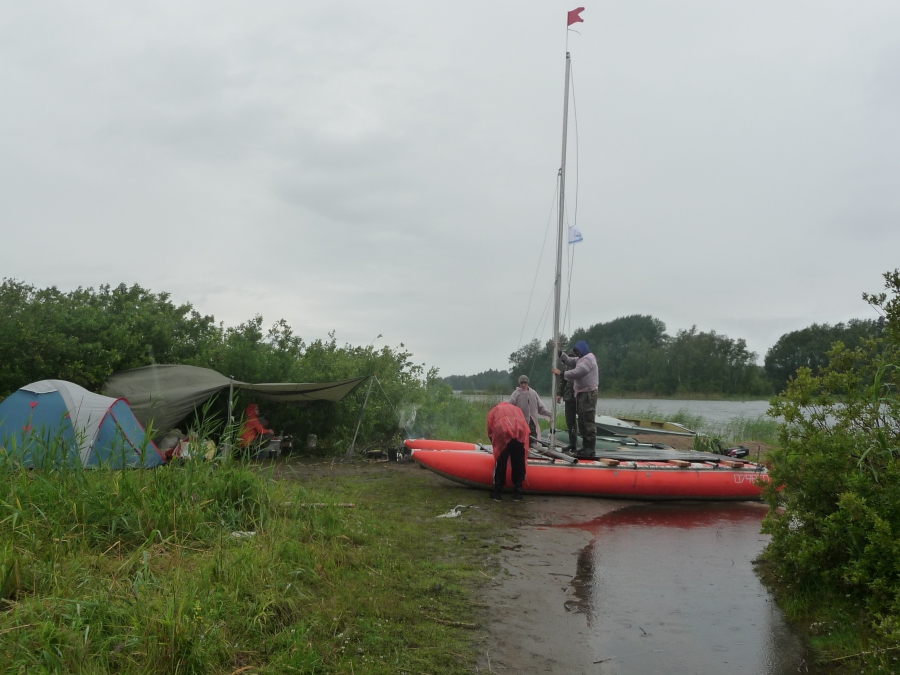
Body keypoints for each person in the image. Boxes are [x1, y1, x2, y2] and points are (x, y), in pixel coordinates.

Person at [552, 339, 598, 454]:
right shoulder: (580, 359)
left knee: (587, 420)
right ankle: (584, 446)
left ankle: (590, 447)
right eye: (576, 352)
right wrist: (558, 352)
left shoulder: (588, 360)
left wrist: (562, 374)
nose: (577, 354)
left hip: (588, 394)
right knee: (582, 420)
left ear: (583, 351)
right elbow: (568, 360)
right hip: (581, 393)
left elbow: (577, 372)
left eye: (578, 351)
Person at [486, 401, 530, 501]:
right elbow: (524, 423)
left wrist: (493, 441)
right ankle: (517, 492)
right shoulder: (516, 409)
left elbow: (490, 429)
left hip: (502, 431)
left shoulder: (495, 409)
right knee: (518, 461)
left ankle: (497, 492)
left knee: (501, 461)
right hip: (520, 432)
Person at [508, 374, 552, 440]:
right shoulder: (516, 394)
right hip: (520, 422)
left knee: (533, 439)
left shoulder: (533, 393)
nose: (523, 385)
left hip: (532, 422)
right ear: (519, 383)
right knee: (521, 439)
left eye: (525, 383)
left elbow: (541, 407)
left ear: (527, 383)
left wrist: (551, 414)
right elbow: (509, 406)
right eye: (521, 383)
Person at [556, 351, 578, 449]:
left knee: (581, 422)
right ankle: (572, 444)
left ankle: (583, 444)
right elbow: (563, 382)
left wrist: (561, 373)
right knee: (570, 422)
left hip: (578, 397)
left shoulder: (578, 366)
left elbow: (572, 377)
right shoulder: (565, 367)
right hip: (568, 398)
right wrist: (559, 394)